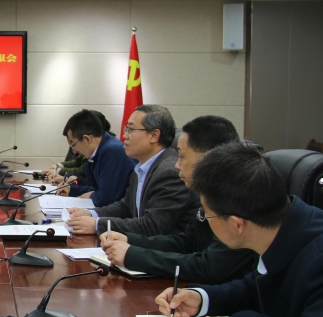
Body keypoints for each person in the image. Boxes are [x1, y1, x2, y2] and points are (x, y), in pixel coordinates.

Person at [155, 143, 323, 317]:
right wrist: (201, 299)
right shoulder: (281, 228)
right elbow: (255, 289)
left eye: (206, 215)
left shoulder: (317, 255)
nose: (204, 221)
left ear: (237, 225)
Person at [100, 115, 257, 282]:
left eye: (182, 156)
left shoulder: (243, 198)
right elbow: (186, 242)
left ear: (209, 159)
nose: (176, 165)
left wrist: (133, 255)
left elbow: (209, 267)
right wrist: (129, 239)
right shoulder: (213, 192)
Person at [66, 104, 197, 236]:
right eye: (126, 129)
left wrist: (97, 224)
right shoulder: (141, 167)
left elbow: (152, 226)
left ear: (154, 135)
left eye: (131, 129)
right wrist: (91, 214)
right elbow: (126, 206)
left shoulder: (169, 172)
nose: (124, 136)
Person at [55, 109, 135, 205]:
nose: (74, 150)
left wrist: (91, 195)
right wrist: (72, 189)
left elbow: (106, 198)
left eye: (74, 144)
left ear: (87, 139)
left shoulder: (111, 152)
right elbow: (98, 188)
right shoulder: (97, 152)